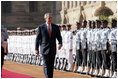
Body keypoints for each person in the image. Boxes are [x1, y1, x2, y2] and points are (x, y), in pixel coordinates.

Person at [35, 13, 62, 78]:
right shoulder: (41, 27)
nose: (50, 19)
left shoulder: (55, 27)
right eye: (49, 18)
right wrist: (36, 49)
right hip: (44, 49)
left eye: (51, 18)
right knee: (46, 65)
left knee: (51, 66)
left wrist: (60, 43)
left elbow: (59, 36)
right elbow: (37, 39)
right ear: (45, 19)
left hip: (52, 49)